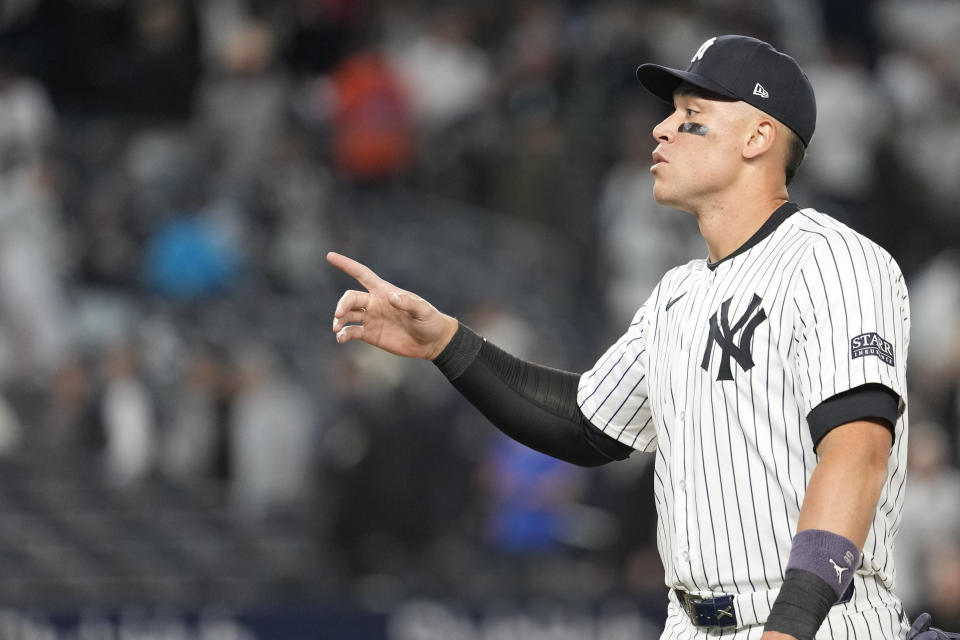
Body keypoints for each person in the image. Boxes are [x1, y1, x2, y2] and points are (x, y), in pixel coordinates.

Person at [328, 35, 936, 640]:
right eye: (671, 113)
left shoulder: (835, 260)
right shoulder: (677, 294)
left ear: (758, 138)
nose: (661, 130)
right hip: (691, 623)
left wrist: (792, 626)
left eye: (692, 117)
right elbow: (584, 424)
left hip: (821, 624)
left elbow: (858, 453)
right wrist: (447, 343)